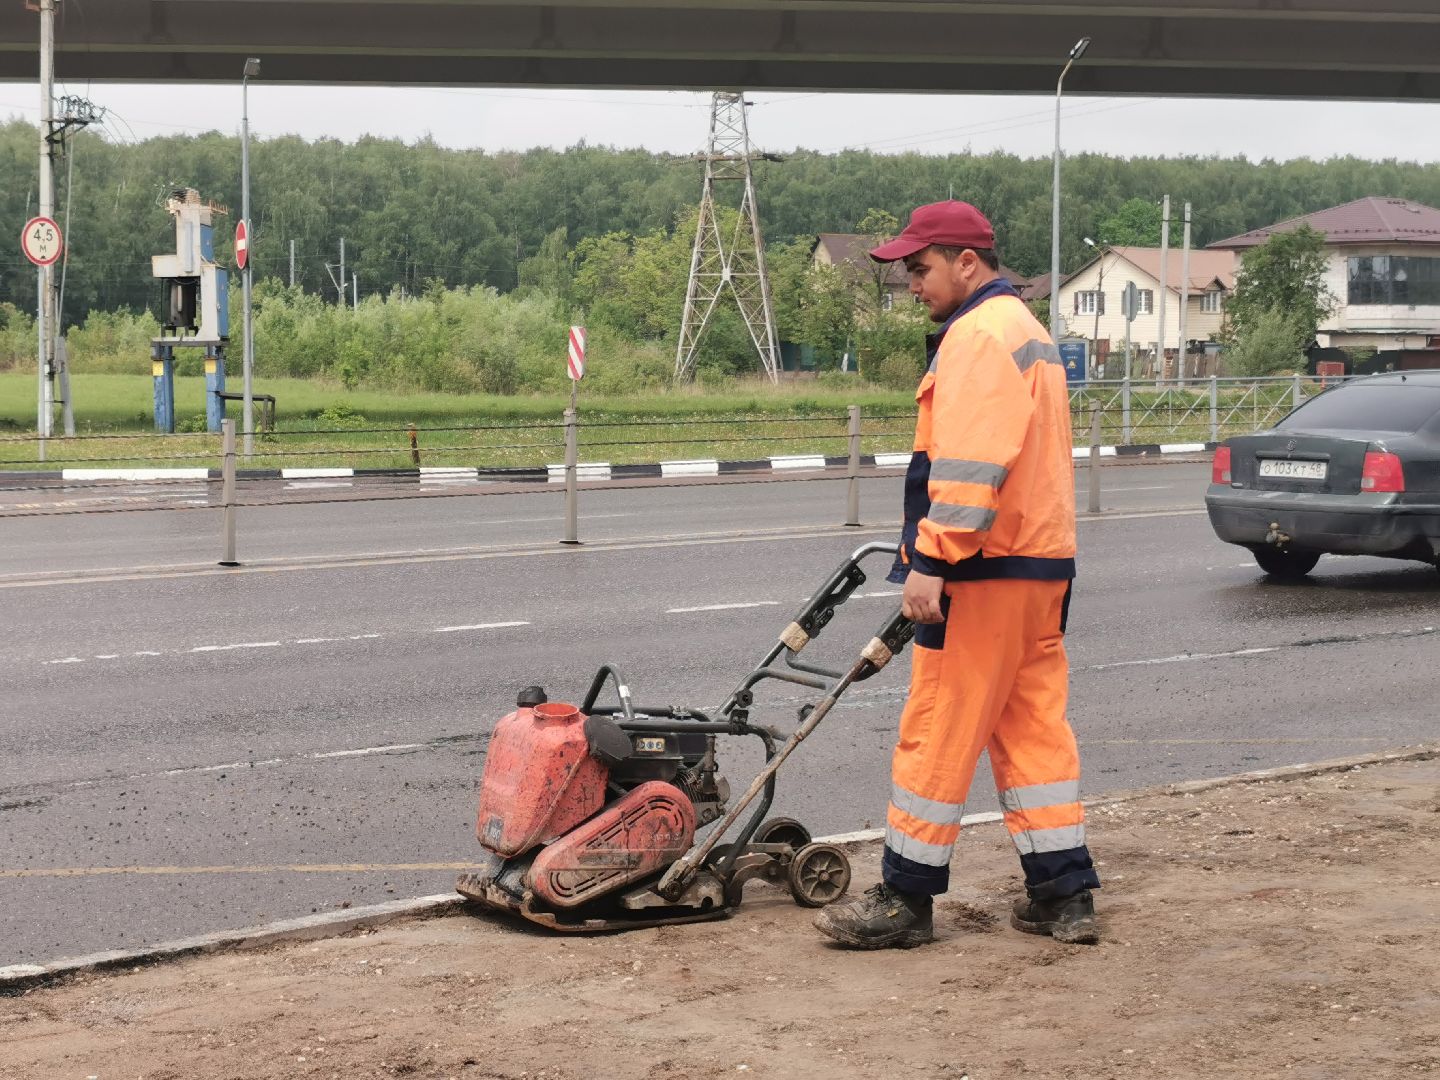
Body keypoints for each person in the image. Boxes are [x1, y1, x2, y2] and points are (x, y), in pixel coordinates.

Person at [814, 200, 1100, 950]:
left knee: (939, 723)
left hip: (981, 570)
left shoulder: (976, 336)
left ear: (965, 262)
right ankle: (1065, 895)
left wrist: (933, 560)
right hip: (1040, 571)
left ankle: (905, 900)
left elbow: (971, 469)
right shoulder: (1028, 333)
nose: (910, 282)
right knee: (1033, 730)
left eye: (919, 267)